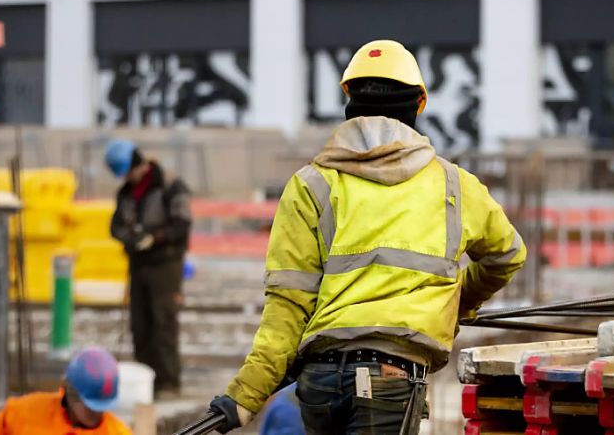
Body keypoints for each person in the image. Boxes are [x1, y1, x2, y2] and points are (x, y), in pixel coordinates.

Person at [208, 40, 526, 434]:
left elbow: (286, 307)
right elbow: (507, 255)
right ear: (418, 105)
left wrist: (244, 398)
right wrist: (457, 300)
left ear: (349, 102)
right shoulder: (453, 185)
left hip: (320, 379)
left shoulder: (310, 185)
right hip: (391, 377)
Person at [106, 139, 192, 398]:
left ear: (137, 164)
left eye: (129, 172)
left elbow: (181, 225)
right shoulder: (126, 193)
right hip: (139, 266)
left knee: (163, 323)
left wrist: (154, 237)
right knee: (140, 325)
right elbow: (115, 226)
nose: (129, 178)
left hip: (165, 266)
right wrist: (129, 237)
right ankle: (146, 383)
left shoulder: (171, 187)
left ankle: (168, 383)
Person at [0, 347, 131, 435]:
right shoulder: (27, 412)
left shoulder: (116, 432)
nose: (95, 413)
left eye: (101, 407)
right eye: (89, 406)